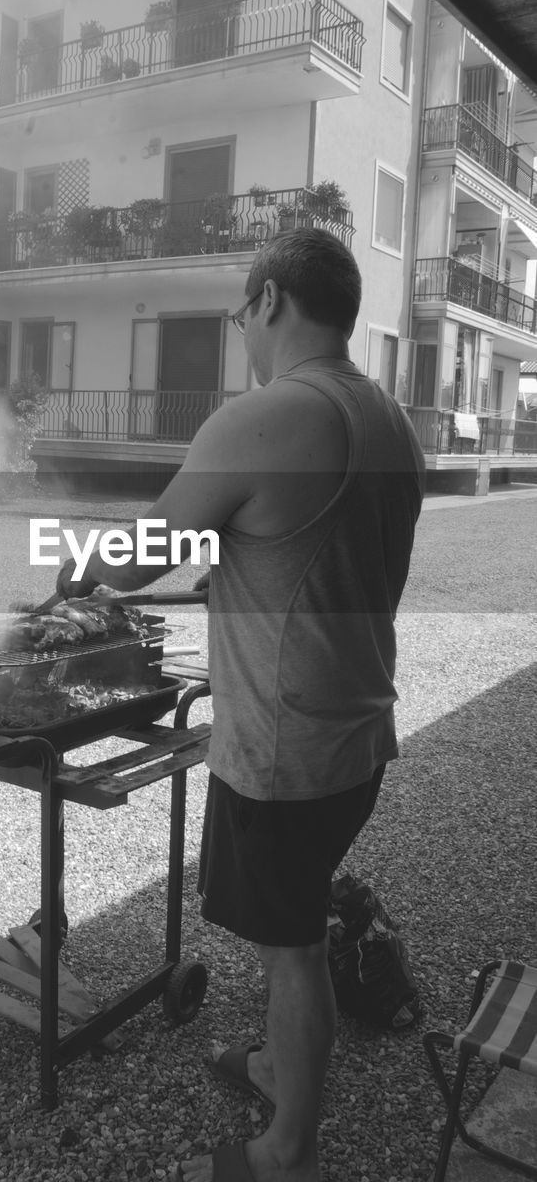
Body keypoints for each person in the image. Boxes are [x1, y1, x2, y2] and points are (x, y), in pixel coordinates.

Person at [55, 228, 425, 1182]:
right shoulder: (386, 418)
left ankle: (285, 1153)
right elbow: (285, 546)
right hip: (355, 732)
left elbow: (149, 549)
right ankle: (274, 1064)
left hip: (281, 749)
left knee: (291, 942)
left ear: (267, 301)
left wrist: (74, 570)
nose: (240, 334)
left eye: (239, 314)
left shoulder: (268, 415)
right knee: (287, 920)